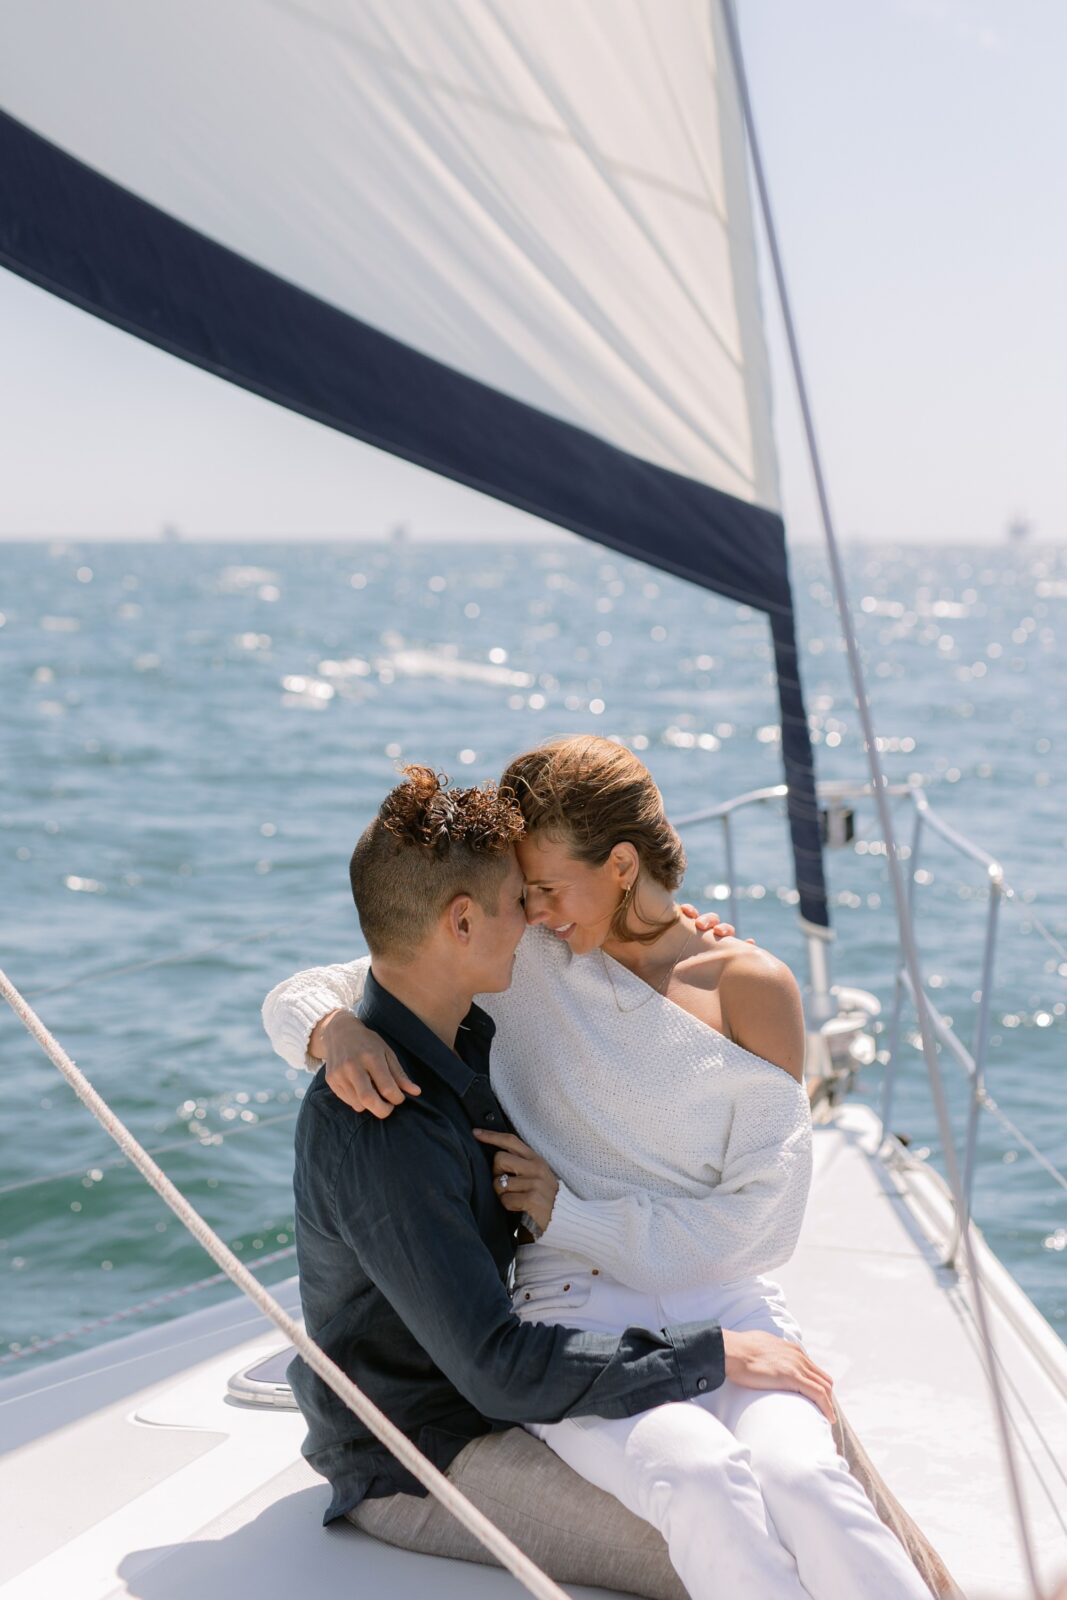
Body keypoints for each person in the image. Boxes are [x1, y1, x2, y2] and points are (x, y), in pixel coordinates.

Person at [265, 738, 953, 1598]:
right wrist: (333, 1032)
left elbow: (765, 1225)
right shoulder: (523, 964)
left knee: (808, 1482)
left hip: (715, 1291)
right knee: (711, 1487)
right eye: (522, 893)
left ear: (621, 865)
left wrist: (579, 1218)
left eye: (546, 888)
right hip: (564, 1304)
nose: (537, 911)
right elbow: (343, 978)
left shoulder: (742, 982)